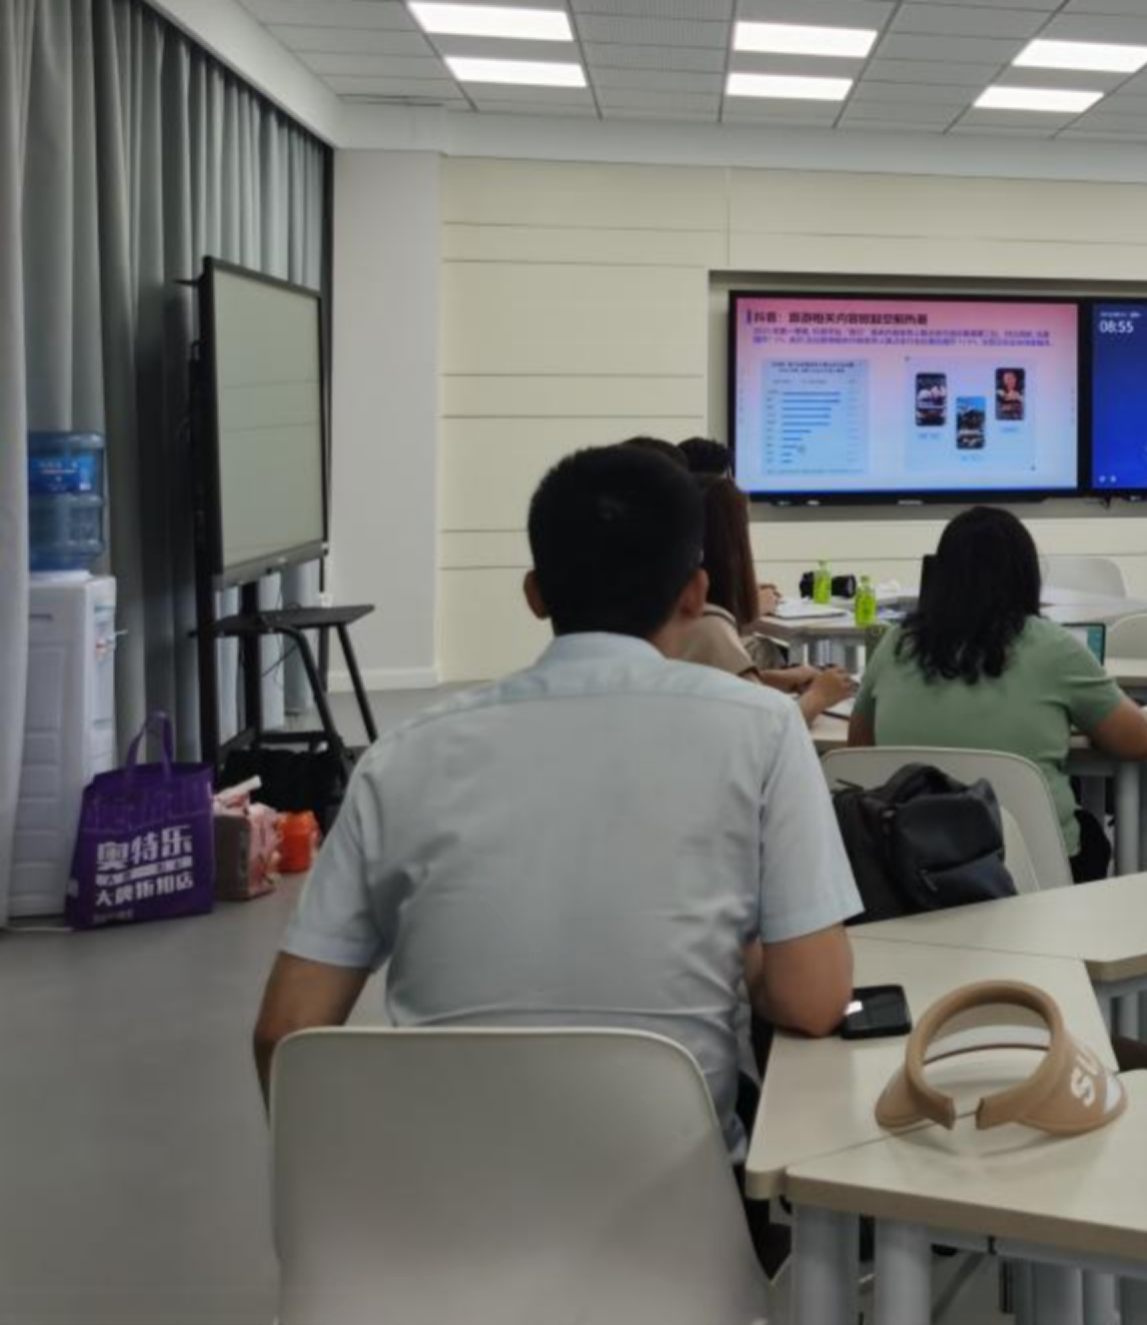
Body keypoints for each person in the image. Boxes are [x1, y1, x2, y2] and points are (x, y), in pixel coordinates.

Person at [251, 443, 860, 1265]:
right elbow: (815, 1000)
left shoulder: (402, 756)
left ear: (535, 594)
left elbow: (286, 1032)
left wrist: (343, 1217)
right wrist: (738, 954)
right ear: (696, 592)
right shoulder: (763, 731)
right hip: (675, 1241)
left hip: (433, 1242)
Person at [849, 506, 1147, 884]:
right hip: (1033, 870)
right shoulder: (1052, 645)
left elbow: (859, 748)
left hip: (911, 871)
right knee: (1092, 837)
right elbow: (1138, 741)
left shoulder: (896, 644)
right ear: (1025, 575)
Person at [679, 475, 856, 725]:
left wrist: (778, 678)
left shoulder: (671, 624)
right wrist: (819, 695)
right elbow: (766, 728)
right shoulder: (710, 629)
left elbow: (720, 683)